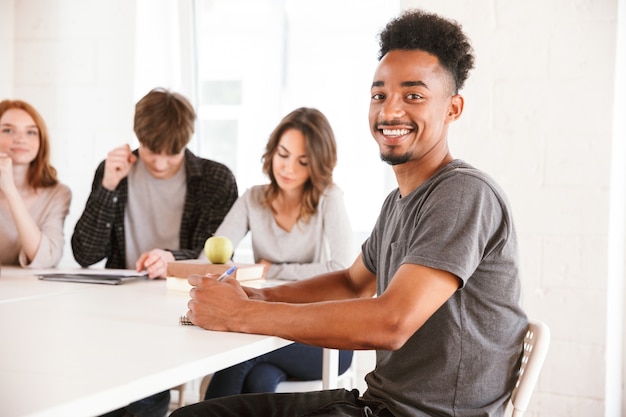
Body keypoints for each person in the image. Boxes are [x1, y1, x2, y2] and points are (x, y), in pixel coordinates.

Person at [172, 8, 529, 417]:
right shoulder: (399, 202)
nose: (390, 111)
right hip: (377, 405)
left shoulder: (464, 193)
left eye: (413, 95)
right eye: (380, 94)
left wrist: (244, 313)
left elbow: (391, 322)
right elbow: (350, 283)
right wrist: (257, 295)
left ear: (453, 108)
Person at [71, 88, 238, 417]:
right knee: (101, 389)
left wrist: (172, 259)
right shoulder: (114, 173)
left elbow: (218, 254)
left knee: (141, 395)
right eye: (151, 151)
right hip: (119, 311)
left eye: (172, 153)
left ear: (186, 141)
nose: (160, 163)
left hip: (182, 306)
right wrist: (106, 187)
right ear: (137, 137)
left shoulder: (216, 179)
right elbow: (85, 254)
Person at [202, 107, 354, 398]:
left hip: (325, 335)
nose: (288, 168)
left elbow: (343, 269)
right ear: (272, 151)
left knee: (240, 356)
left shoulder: (329, 198)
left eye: (303, 162)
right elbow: (215, 256)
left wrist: (269, 270)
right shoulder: (253, 198)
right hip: (268, 324)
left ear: (317, 165)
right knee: (260, 380)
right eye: (283, 155)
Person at [0, 99, 71, 269]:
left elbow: (46, 258)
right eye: (8, 130)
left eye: (31, 132)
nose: (20, 139)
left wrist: (9, 189)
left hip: (31, 291)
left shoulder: (57, 194)